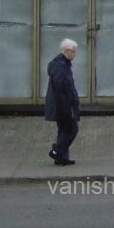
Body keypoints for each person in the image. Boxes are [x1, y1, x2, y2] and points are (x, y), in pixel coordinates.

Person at [44, 38, 81, 166]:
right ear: (67, 51)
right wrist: (66, 106)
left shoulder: (62, 64)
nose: (75, 54)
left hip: (64, 103)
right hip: (63, 104)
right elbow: (60, 88)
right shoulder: (60, 66)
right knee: (72, 128)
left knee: (64, 130)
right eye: (74, 52)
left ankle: (61, 158)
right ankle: (57, 151)